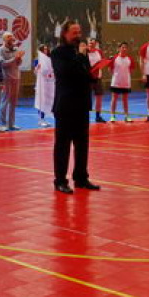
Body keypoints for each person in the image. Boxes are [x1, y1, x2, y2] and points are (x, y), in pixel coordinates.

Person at [50, 20, 99, 194]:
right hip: (65, 105)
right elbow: (64, 73)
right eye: (74, 33)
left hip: (81, 104)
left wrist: (94, 74)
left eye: (79, 32)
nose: (78, 36)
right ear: (65, 34)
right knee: (62, 145)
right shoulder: (57, 53)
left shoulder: (81, 53)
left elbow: (84, 75)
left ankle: (81, 178)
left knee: (82, 144)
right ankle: (60, 181)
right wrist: (80, 56)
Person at [0, 32, 25, 131]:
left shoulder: (16, 49)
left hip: (16, 77)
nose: (11, 38)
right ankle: (2, 124)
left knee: (13, 102)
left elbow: (18, 63)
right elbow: (2, 64)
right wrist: (15, 58)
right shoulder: (1, 49)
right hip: (7, 78)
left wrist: (19, 59)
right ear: (4, 39)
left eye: (12, 37)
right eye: (9, 37)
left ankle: (11, 124)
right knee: (5, 101)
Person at [108, 42, 134, 123]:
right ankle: (112, 116)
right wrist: (116, 76)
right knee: (114, 99)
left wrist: (125, 76)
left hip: (126, 83)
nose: (124, 49)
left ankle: (126, 116)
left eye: (126, 47)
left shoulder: (130, 59)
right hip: (116, 82)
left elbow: (131, 70)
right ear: (119, 49)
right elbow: (110, 69)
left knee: (125, 100)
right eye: (123, 47)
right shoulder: (114, 58)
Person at [33, 44, 54, 127]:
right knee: (41, 101)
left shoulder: (49, 59)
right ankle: (40, 119)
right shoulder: (37, 60)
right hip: (41, 84)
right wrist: (37, 68)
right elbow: (35, 72)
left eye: (46, 49)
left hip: (48, 83)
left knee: (47, 101)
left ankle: (44, 119)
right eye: (44, 49)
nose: (46, 50)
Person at [87, 38, 106, 123]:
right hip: (87, 78)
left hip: (97, 78)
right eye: (90, 43)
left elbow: (101, 63)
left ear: (96, 44)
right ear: (88, 44)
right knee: (86, 98)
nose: (92, 44)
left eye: (93, 43)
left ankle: (98, 116)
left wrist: (100, 72)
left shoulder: (99, 52)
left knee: (99, 97)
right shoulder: (85, 52)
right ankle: (85, 116)